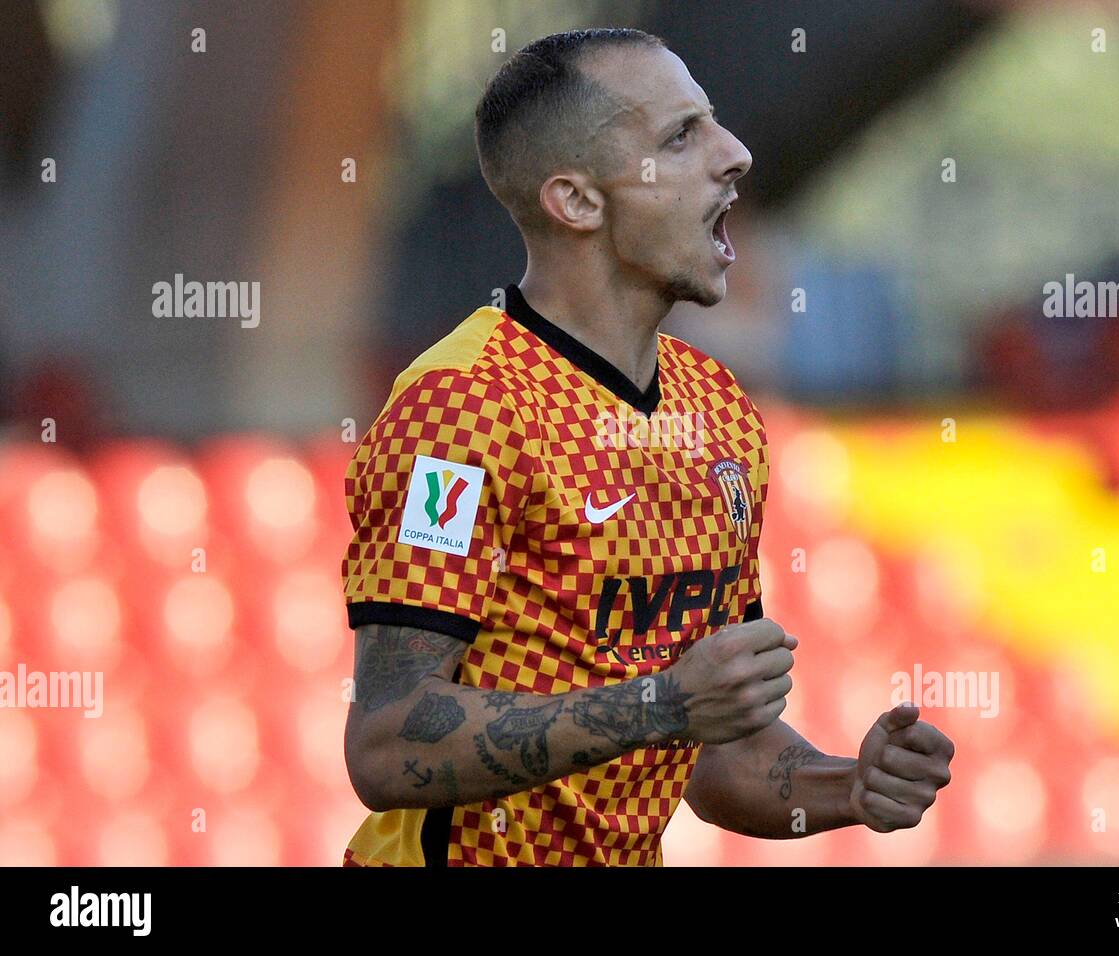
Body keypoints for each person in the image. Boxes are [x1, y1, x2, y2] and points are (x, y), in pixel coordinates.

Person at [341, 27, 953, 867]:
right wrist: (662, 703)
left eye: (714, 123)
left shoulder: (720, 411)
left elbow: (719, 751)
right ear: (578, 202)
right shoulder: (465, 406)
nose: (734, 154)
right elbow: (383, 743)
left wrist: (844, 787)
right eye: (680, 136)